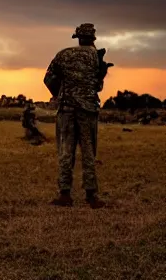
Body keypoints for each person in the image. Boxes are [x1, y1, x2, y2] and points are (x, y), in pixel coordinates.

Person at [44, 23, 107, 209]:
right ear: (93, 39)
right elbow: (98, 86)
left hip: (67, 109)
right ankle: (91, 195)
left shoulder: (63, 54)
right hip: (87, 111)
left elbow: (48, 78)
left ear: (77, 37)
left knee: (65, 151)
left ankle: (64, 194)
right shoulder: (97, 57)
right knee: (88, 152)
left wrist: (60, 94)